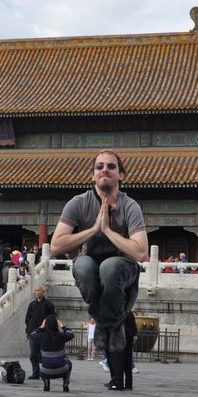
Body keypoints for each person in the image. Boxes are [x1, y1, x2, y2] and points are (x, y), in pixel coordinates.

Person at [49, 149, 148, 353]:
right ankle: (111, 325)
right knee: (83, 266)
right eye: (99, 166)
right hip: (90, 263)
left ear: (121, 175)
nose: (105, 170)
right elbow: (56, 246)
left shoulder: (130, 206)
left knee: (109, 267)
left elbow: (140, 252)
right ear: (92, 174)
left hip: (122, 266)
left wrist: (107, 231)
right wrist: (93, 230)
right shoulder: (78, 203)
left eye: (111, 166)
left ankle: (105, 325)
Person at [30, 314, 74, 392]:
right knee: (68, 362)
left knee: (45, 363)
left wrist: (41, 327)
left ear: (46, 325)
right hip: (61, 370)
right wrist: (62, 326)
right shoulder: (61, 336)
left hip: (45, 371)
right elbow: (71, 334)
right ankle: (65, 383)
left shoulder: (41, 337)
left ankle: (46, 382)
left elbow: (32, 334)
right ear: (56, 325)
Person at [25, 285, 57, 379]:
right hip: (33, 333)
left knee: (45, 354)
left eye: (39, 290)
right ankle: (35, 372)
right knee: (33, 354)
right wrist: (27, 330)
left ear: (43, 292)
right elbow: (28, 319)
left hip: (45, 333)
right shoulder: (32, 304)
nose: (38, 292)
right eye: (36, 290)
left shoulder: (49, 305)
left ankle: (46, 372)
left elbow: (52, 319)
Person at [106, 310, 137, 391]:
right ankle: (128, 384)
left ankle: (118, 384)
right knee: (128, 364)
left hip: (119, 341)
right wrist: (133, 336)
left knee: (118, 364)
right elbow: (133, 326)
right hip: (128, 341)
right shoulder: (128, 312)